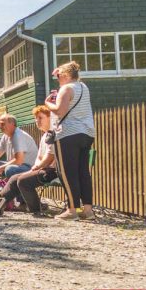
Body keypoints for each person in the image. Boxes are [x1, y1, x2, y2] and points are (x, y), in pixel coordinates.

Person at [44, 61, 96, 221]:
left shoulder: (66, 88)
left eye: (58, 76)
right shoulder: (83, 87)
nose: (57, 80)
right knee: (83, 172)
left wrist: (48, 103)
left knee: (66, 172)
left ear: (66, 75)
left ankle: (72, 209)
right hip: (87, 132)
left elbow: (60, 111)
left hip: (68, 133)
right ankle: (88, 210)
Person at [0, 105, 58, 217]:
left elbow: (49, 158)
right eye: (36, 118)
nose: (37, 121)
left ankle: (36, 210)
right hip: (42, 169)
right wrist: (36, 167)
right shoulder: (45, 136)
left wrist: (35, 168)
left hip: (53, 171)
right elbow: (39, 158)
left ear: (50, 118)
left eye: (40, 118)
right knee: (15, 178)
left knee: (23, 181)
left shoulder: (53, 134)